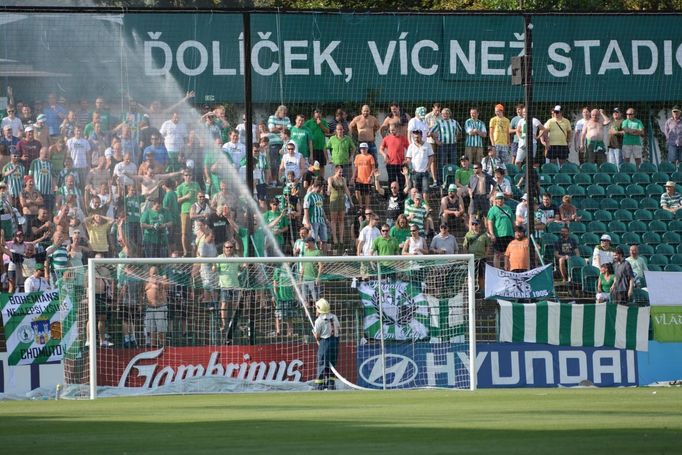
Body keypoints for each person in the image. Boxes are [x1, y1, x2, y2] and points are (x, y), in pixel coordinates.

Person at [214, 241, 244, 341]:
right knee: (224, 304)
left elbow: (241, 268)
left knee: (236, 305)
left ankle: (237, 323)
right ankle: (224, 324)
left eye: (231, 247)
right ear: (223, 248)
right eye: (227, 247)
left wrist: (244, 266)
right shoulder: (219, 258)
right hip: (224, 285)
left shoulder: (236, 258)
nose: (229, 249)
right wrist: (213, 267)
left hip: (235, 285)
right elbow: (215, 268)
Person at [312, 298, 340, 390]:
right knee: (332, 363)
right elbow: (338, 328)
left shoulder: (318, 321)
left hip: (325, 342)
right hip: (335, 342)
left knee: (322, 363)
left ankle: (319, 385)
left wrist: (315, 335)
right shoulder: (334, 317)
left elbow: (317, 336)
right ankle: (331, 384)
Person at [428, 107, 461, 175]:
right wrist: (437, 141)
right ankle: (441, 181)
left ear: (449, 114)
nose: (444, 115)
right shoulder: (439, 122)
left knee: (453, 162)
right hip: (443, 145)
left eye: (446, 113)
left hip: (452, 145)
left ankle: (453, 179)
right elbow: (430, 132)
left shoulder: (454, 122)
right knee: (441, 163)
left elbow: (460, 131)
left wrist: (456, 139)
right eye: (443, 114)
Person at [486, 192, 514, 268]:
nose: (500, 200)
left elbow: (512, 221)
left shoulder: (508, 208)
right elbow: (490, 222)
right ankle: (496, 271)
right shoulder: (493, 209)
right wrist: (492, 234)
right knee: (497, 254)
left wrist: (515, 232)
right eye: (498, 199)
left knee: (509, 253)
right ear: (496, 200)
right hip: (498, 235)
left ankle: (508, 269)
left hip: (509, 234)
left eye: (502, 198)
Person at [405, 130, 436, 200]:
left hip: (425, 172)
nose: (416, 139)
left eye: (418, 137)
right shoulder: (411, 146)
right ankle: (416, 206)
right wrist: (410, 168)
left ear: (421, 136)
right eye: (415, 137)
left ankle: (426, 206)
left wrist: (428, 167)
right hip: (415, 172)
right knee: (415, 190)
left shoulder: (427, 145)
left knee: (425, 190)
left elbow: (431, 157)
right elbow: (408, 158)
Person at [327, 165, 352, 247]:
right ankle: (334, 238)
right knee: (333, 220)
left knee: (341, 219)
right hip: (333, 200)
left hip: (342, 201)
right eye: (339, 172)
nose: (341, 173)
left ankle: (341, 239)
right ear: (335, 171)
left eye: (342, 172)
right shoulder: (331, 179)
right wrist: (328, 191)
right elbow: (329, 186)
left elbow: (346, 189)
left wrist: (350, 200)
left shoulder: (343, 179)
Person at [463, 218, 490, 292]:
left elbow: (487, 246)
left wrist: (485, 255)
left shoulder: (484, 235)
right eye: (473, 224)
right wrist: (466, 256)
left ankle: (481, 290)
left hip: (481, 258)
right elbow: (465, 246)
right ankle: (470, 289)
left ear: (479, 225)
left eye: (476, 224)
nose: (474, 226)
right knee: (471, 274)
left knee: (481, 275)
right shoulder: (468, 234)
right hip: (471, 258)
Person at [145, 266, 169, 347]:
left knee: (161, 330)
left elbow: (167, 287)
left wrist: (163, 281)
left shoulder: (162, 280)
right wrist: (151, 283)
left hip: (160, 307)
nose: (154, 274)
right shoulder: (146, 281)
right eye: (152, 273)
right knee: (152, 330)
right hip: (150, 308)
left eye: (155, 272)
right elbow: (143, 290)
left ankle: (163, 347)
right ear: (149, 273)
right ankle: (153, 347)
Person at [380, 124, 408, 190]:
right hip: (390, 164)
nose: (391, 131)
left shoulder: (403, 138)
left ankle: (401, 196)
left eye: (393, 130)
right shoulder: (386, 138)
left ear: (397, 129)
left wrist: (407, 159)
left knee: (402, 181)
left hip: (401, 164)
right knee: (391, 181)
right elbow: (381, 149)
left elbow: (409, 149)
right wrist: (384, 155)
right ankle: (391, 197)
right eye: (390, 130)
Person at [272, 263, 296, 338]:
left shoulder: (292, 270)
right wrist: (275, 295)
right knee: (278, 315)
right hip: (280, 297)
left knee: (290, 315)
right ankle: (278, 331)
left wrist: (295, 294)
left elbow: (294, 283)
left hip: (289, 296)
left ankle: (290, 332)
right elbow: (275, 282)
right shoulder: (278, 269)